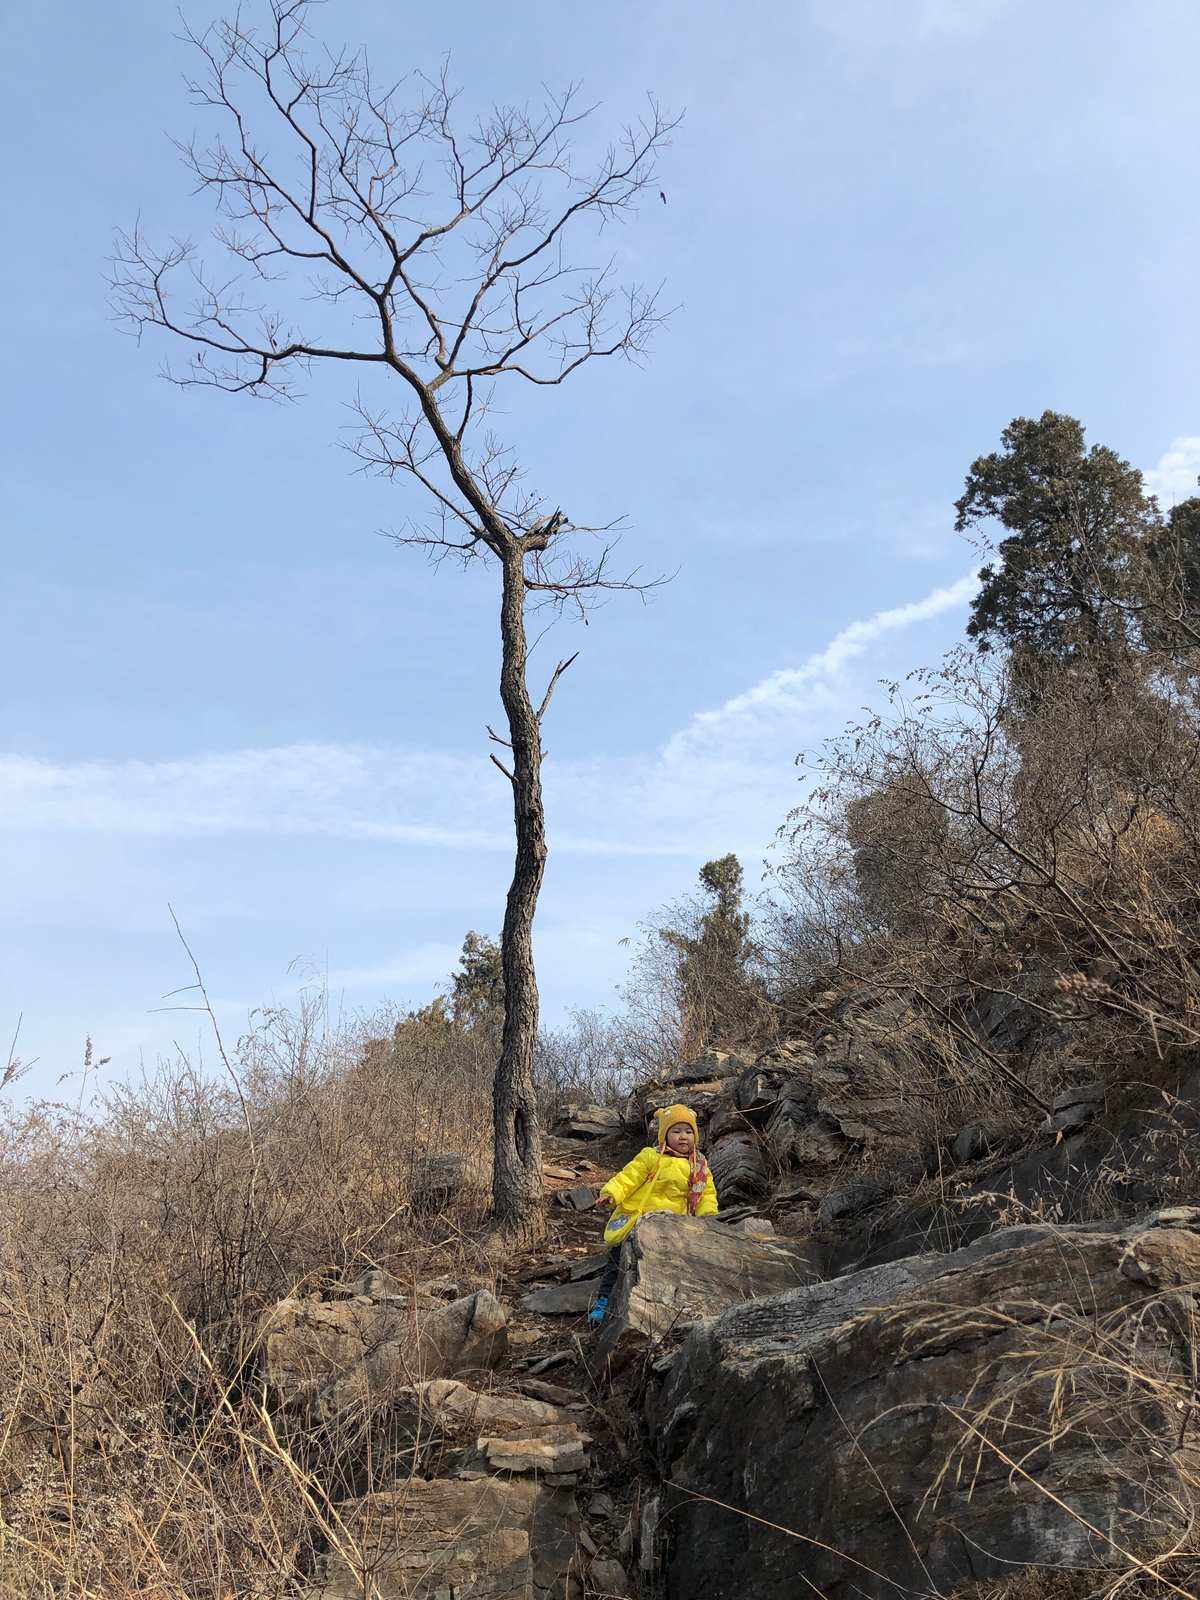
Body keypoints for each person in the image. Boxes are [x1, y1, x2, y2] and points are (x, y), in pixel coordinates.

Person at [587, 1103, 718, 1325]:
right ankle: (602, 1303)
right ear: (664, 1135)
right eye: (676, 1131)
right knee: (617, 1260)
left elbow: (706, 1194)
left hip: (674, 1225)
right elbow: (629, 1177)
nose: (683, 1137)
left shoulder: (700, 1166)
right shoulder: (651, 1156)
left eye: (688, 1131)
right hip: (639, 1219)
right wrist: (611, 1193)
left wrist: (708, 1217)